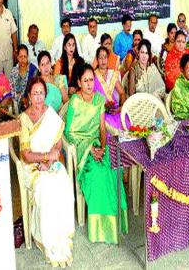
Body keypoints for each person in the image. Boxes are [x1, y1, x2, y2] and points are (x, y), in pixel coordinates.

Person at [64, 64, 128, 244]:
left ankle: (116, 222)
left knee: (113, 167)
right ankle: (101, 229)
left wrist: (103, 147)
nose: (89, 84)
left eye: (91, 80)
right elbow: (69, 133)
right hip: (81, 147)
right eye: (85, 81)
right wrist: (89, 149)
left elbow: (101, 127)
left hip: (98, 142)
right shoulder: (74, 101)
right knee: (98, 174)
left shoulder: (99, 99)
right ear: (78, 82)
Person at [19, 76, 74, 267]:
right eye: (35, 93)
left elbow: (58, 141)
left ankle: (61, 232)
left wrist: (52, 159)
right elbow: (25, 155)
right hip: (33, 167)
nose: (38, 97)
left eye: (41, 93)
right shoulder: (24, 119)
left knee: (64, 181)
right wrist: (44, 158)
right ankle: (47, 237)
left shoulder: (50, 113)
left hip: (50, 161)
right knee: (47, 186)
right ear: (28, 96)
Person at [93, 47, 127, 135]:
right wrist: (103, 107)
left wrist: (121, 107)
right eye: (100, 58)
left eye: (105, 57)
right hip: (101, 112)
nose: (103, 60)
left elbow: (122, 93)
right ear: (97, 59)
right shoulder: (93, 76)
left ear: (108, 59)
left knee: (126, 128)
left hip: (115, 110)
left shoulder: (112, 74)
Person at [10, 44, 38, 112]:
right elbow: (12, 90)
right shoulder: (13, 71)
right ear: (17, 57)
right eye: (20, 57)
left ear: (28, 57)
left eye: (25, 57)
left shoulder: (33, 70)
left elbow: (35, 90)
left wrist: (26, 99)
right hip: (16, 106)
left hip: (30, 105)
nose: (23, 60)